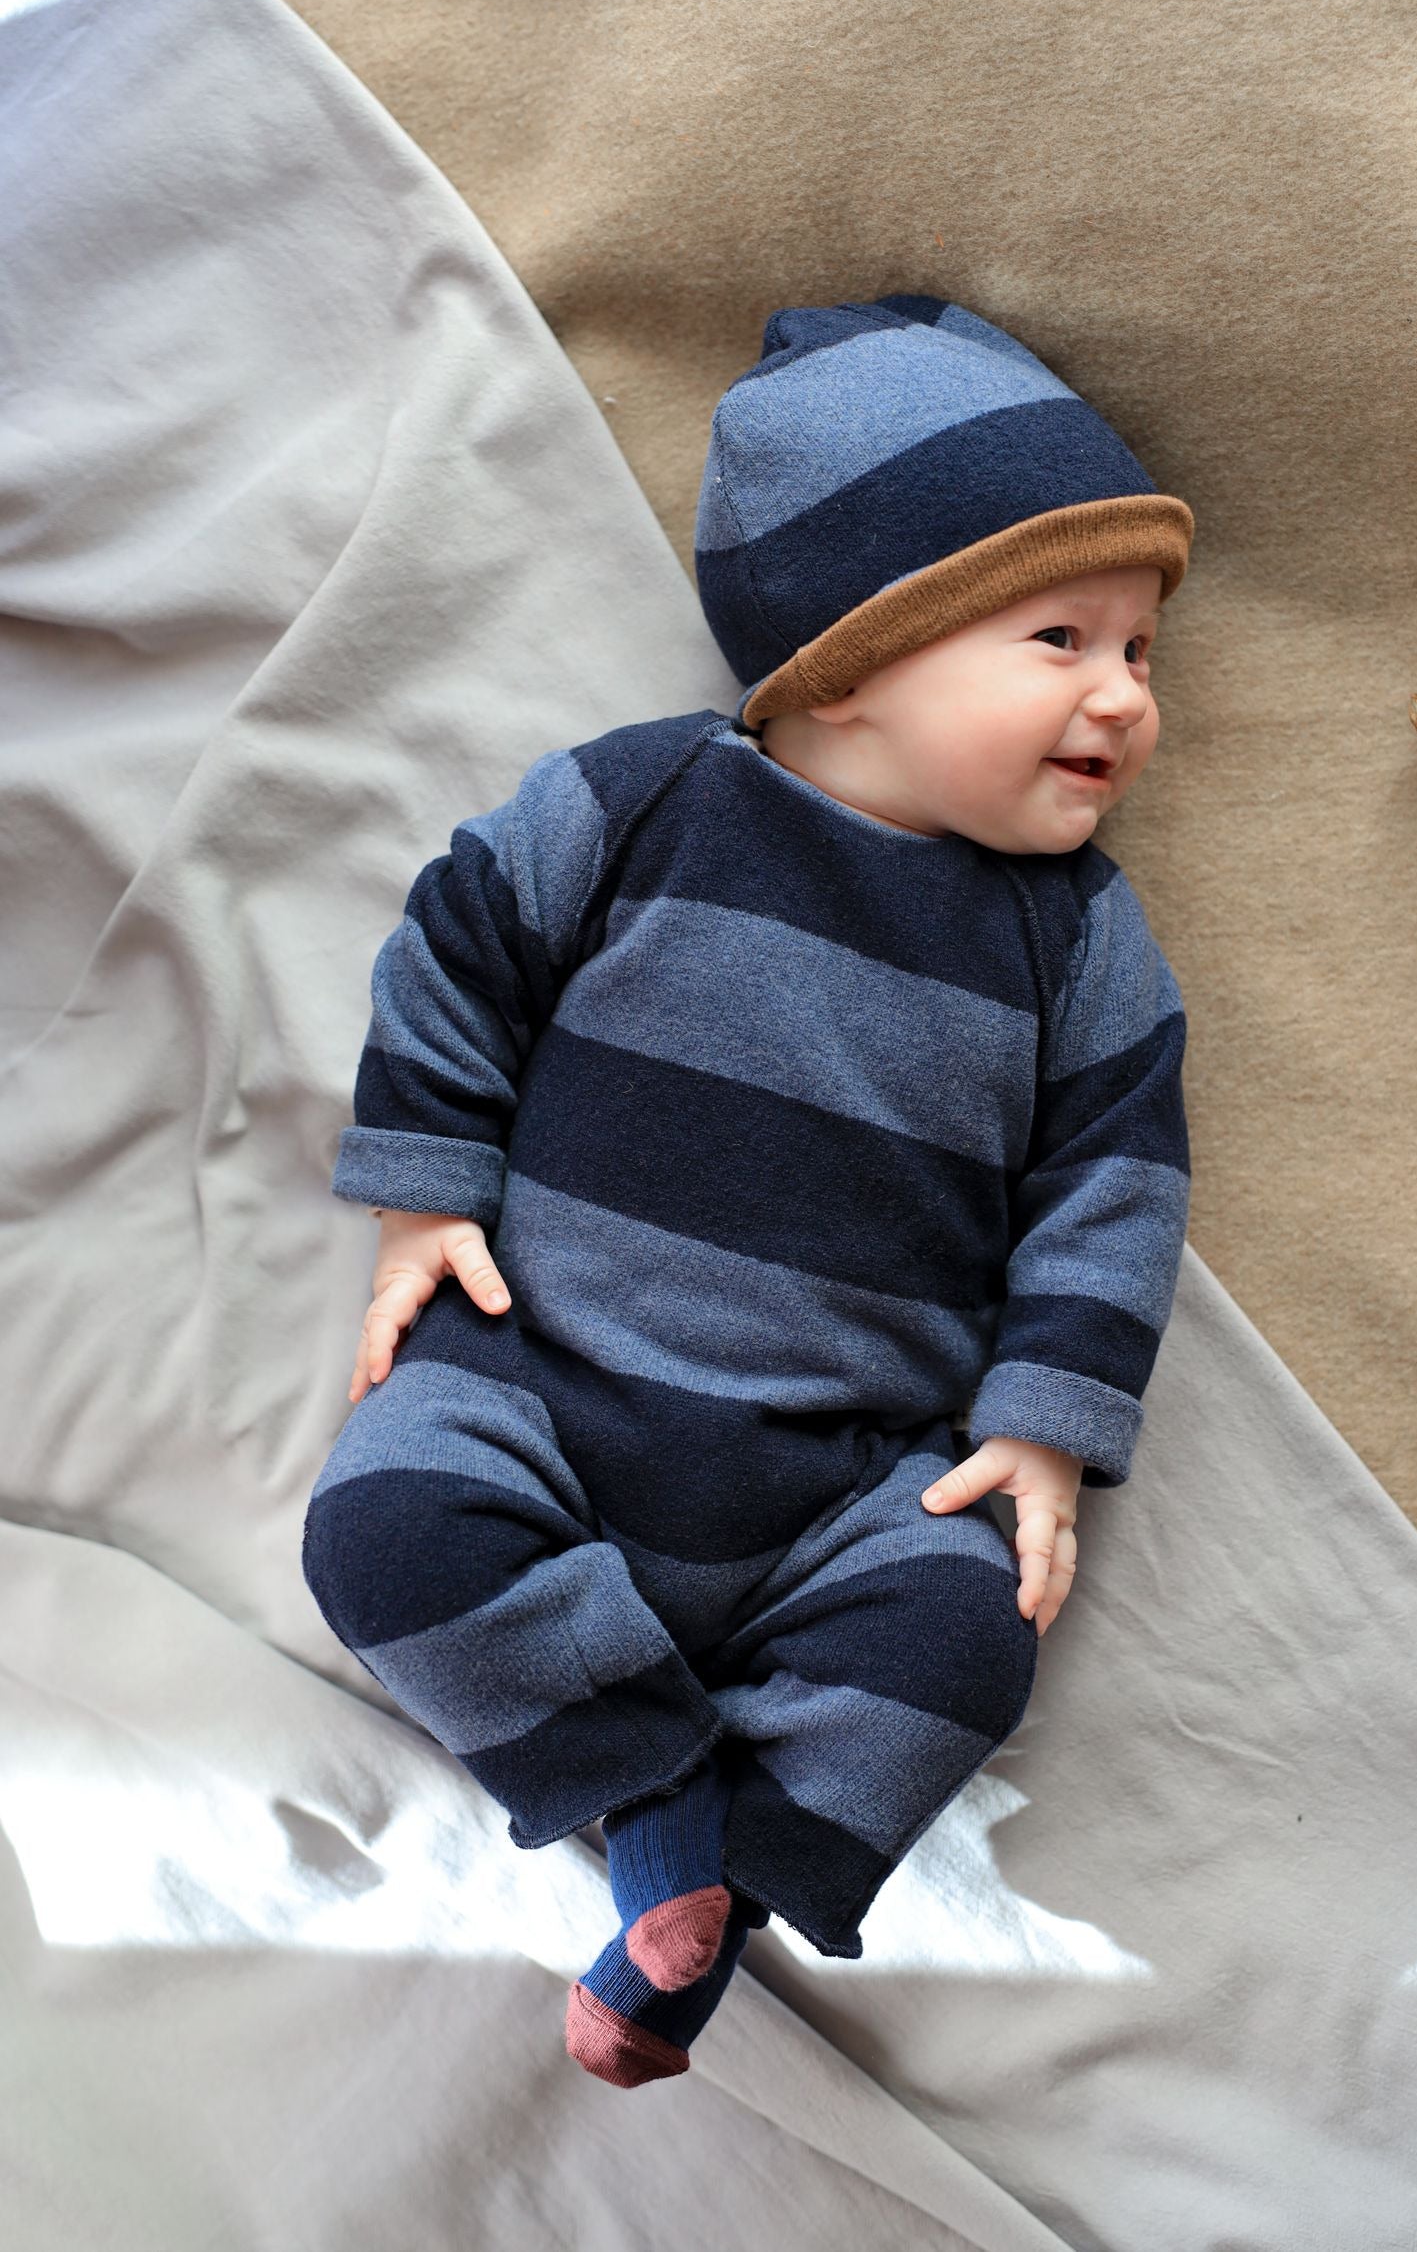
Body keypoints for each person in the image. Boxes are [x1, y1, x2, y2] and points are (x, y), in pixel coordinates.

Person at [301, 294, 1195, 2089]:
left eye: (1142, 650)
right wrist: (425, 1189)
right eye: (1063, 637)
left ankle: (721, 1884)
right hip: (543, 1381)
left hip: (855, 1478)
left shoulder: (1078, 942)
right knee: (383, 1532)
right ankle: (661, 1826)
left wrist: (1043, 1421)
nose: (1126, 694)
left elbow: (1117, 1176)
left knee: (964, 1640)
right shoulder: (644, 805)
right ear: (854, 658)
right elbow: (459, 946)